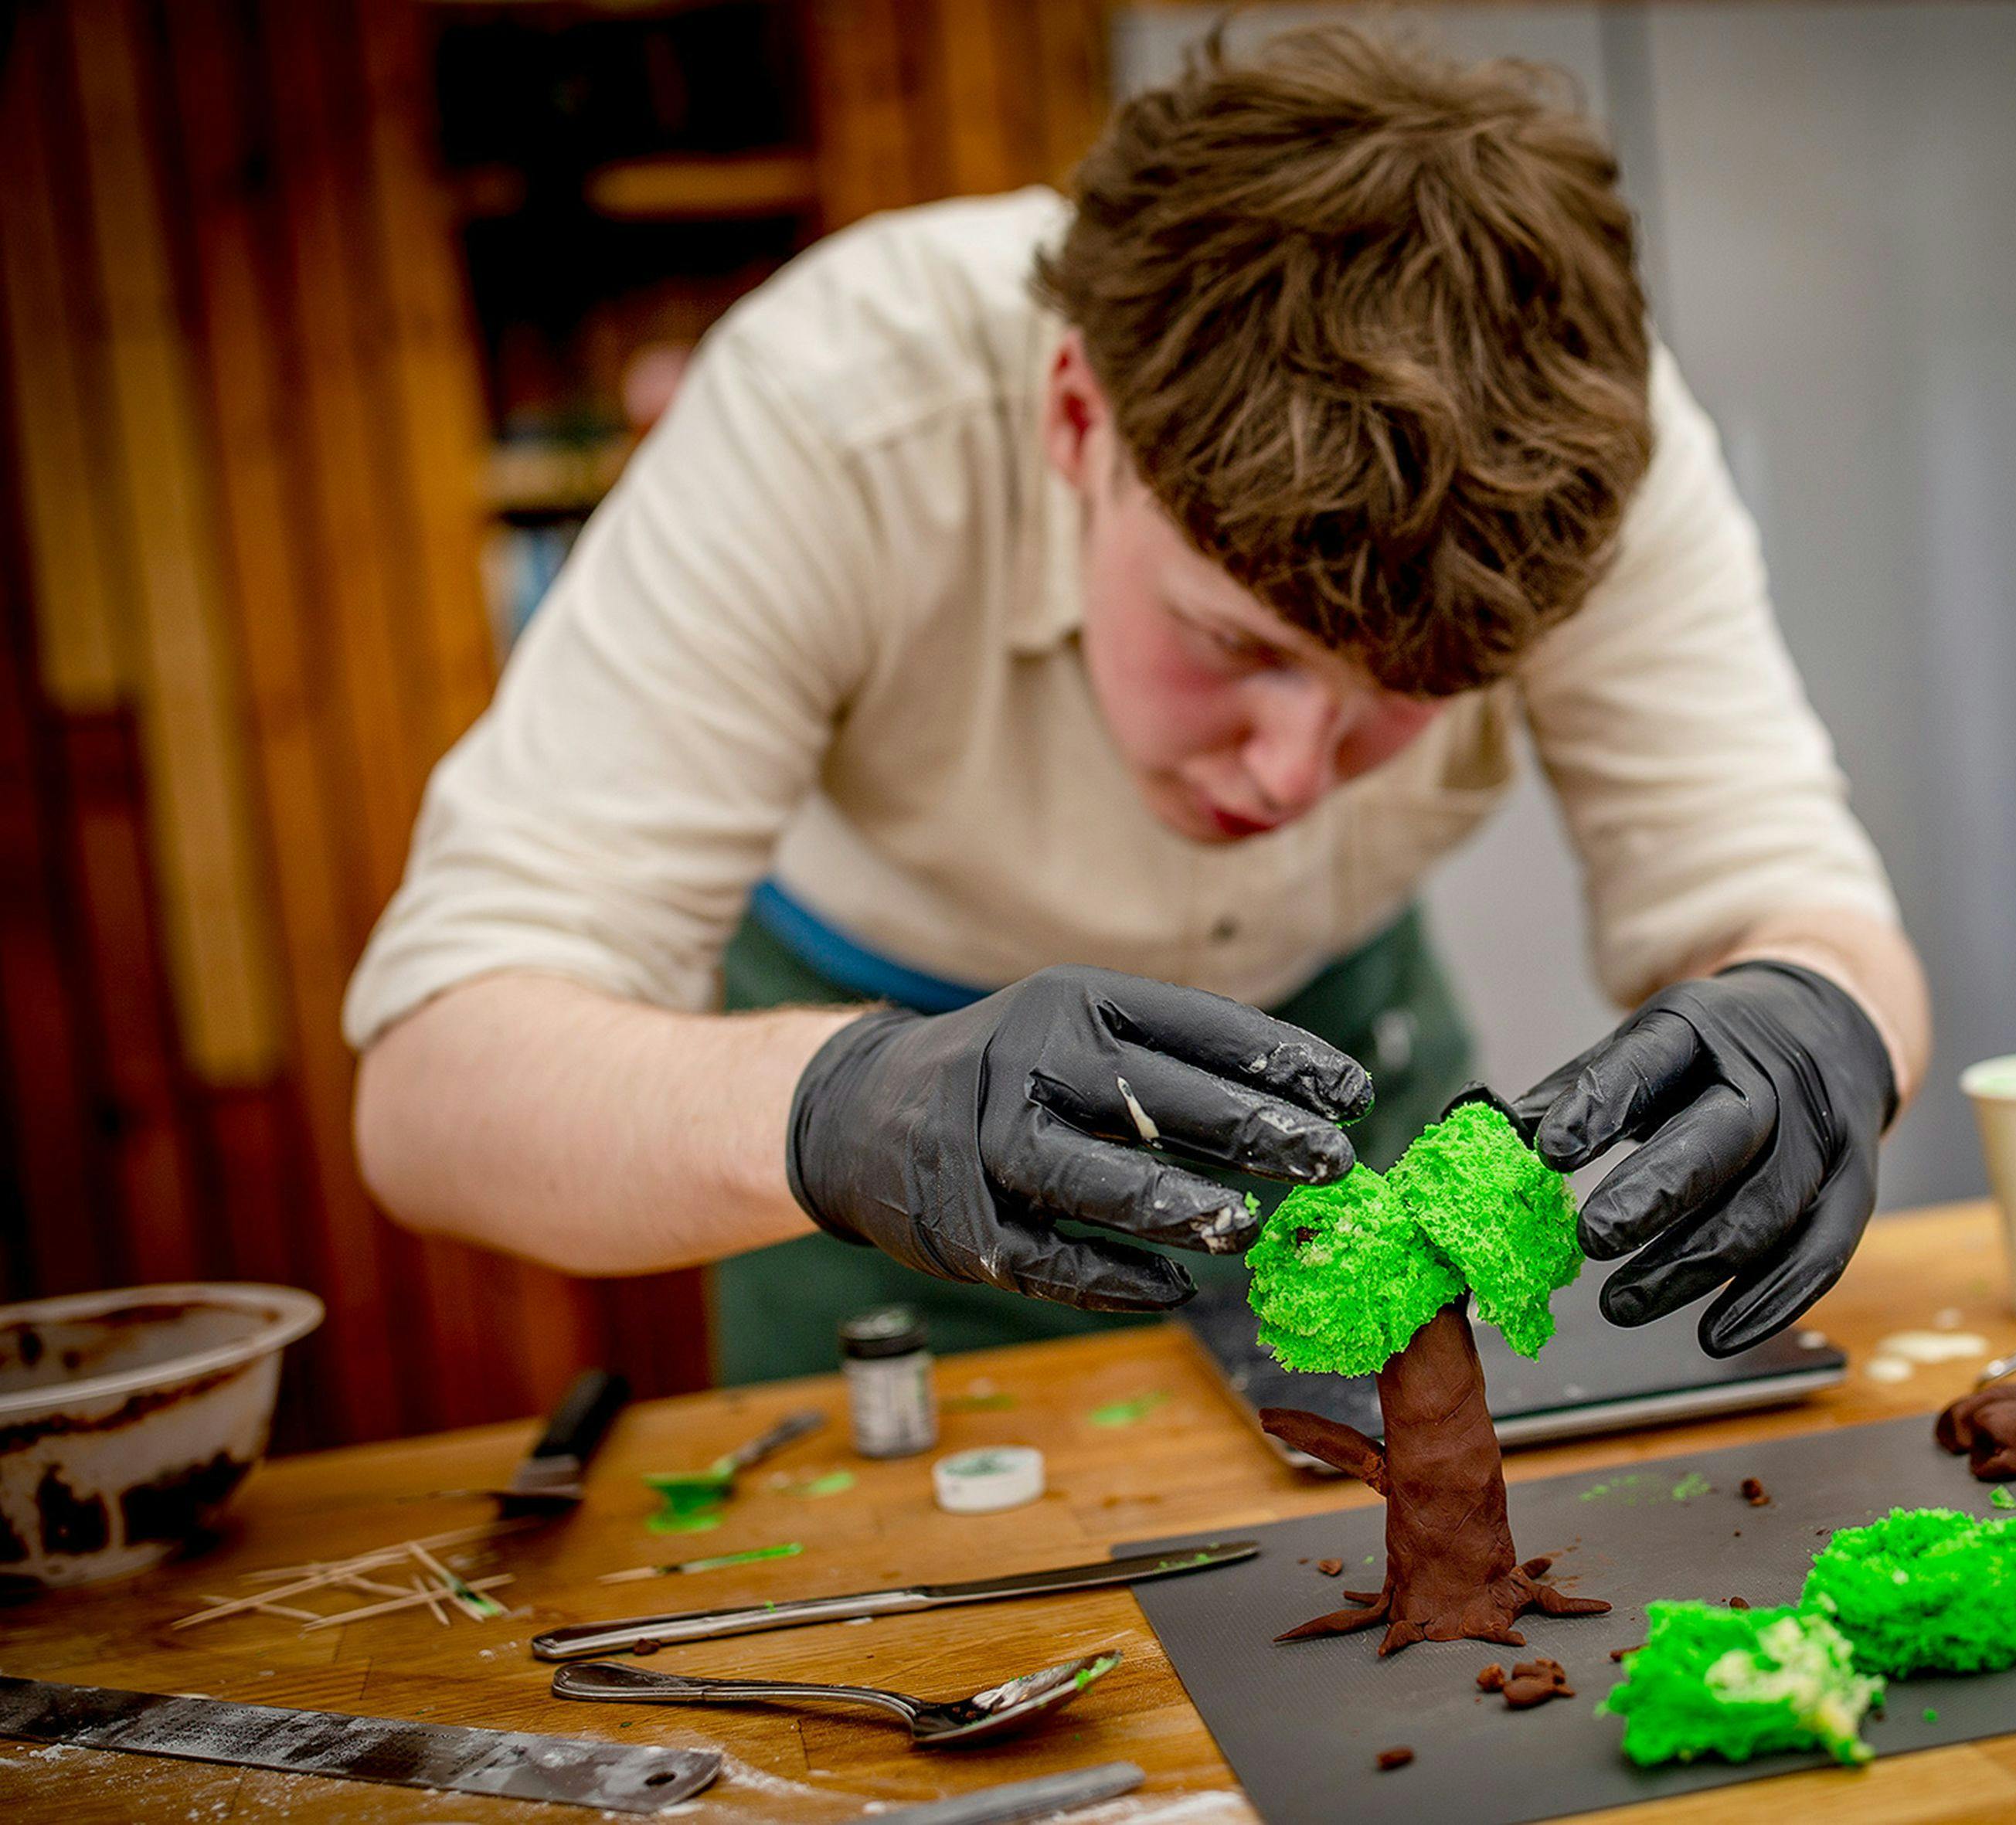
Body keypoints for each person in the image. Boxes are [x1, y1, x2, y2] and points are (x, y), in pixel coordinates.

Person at [346, 26, 1929, 1385]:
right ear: (1073, 417)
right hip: (869, 1112)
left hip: (1337, 1045)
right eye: (1231, 643)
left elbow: (1784, 892)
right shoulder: (837, 407)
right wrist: (838, 1102)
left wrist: (1822, 1019)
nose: (1293, 770)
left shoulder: (1590, 448)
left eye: (1409, 699)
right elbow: (433, 1084)